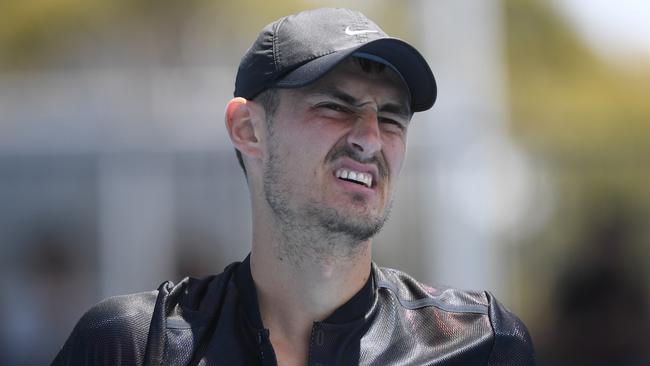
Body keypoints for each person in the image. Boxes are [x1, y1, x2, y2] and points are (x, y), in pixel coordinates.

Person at [53, 8, 535, 365]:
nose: (370, 138)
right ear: (248, 129)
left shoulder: (480, 343)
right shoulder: (139, 345)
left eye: (391, 118)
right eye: (334, 107)